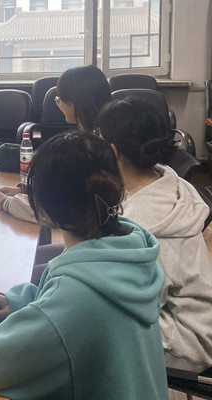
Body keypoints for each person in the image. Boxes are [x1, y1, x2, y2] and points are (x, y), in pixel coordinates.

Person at [0, 132, 167, 399]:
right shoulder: (130, 249)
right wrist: (17, 300)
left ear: (45, 209)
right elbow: (58, 300)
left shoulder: (75, 299)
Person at [98, 97, 212, 373]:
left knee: (85, 318)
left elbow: (138, 301)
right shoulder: (162, 177)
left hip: (186, 342)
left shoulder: (143, 221)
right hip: (192, 318)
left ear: (113, 151)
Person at [0, 65, 112, 217]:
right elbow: (67, 190)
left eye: (59, 99)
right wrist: (25, 190)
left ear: (74, 102)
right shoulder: (103, 135)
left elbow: (60, 210)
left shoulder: (90, 149)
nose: (58, 104)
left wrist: (6, 202)